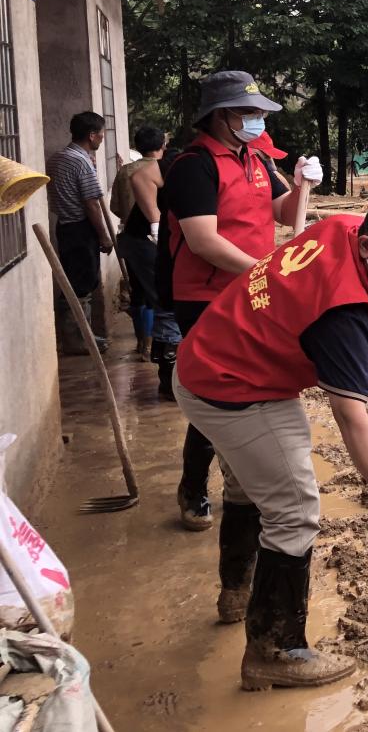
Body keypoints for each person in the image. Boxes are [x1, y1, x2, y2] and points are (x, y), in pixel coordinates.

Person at [174, 192, 368, 690]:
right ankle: (276, 650)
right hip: (234, 385)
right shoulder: (340, 316)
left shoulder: (342, 227)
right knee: (294, 508)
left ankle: (237, 591)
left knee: (254, 482)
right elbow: (351, 415)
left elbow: (350, 293)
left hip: (211, 355)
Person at [159, 71, 323, 531]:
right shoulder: (193, 165)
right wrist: (262, 268)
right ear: (219, 116)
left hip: (252, 289)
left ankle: (238, 475)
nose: (255, 120)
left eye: (258, 112)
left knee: (244, 387)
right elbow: (203, 241)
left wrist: (300, 185)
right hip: (206, 295)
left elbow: (283, 212)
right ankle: (193, 486)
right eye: (246, 112)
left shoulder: (254, 158)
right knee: (214, 389)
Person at [46, 112, 114, 354]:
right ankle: (77, 341)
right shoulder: (80, 161)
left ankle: (81, 336)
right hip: (80, 228)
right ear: (92, 135)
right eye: (102, 135)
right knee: (82, 284)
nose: (103, 139)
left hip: (65, 226)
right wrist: (104, 235)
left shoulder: (59, 157)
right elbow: (91, 203)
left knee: (75, 281)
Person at [112, 125, 166, 360]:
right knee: (158, 292)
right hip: (151, 239)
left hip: (130, 238)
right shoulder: (160, 170)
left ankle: (142, 342)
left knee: (138, 291)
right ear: (161, 146)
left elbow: (115, 206)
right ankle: (154, 345)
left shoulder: (125, 171)